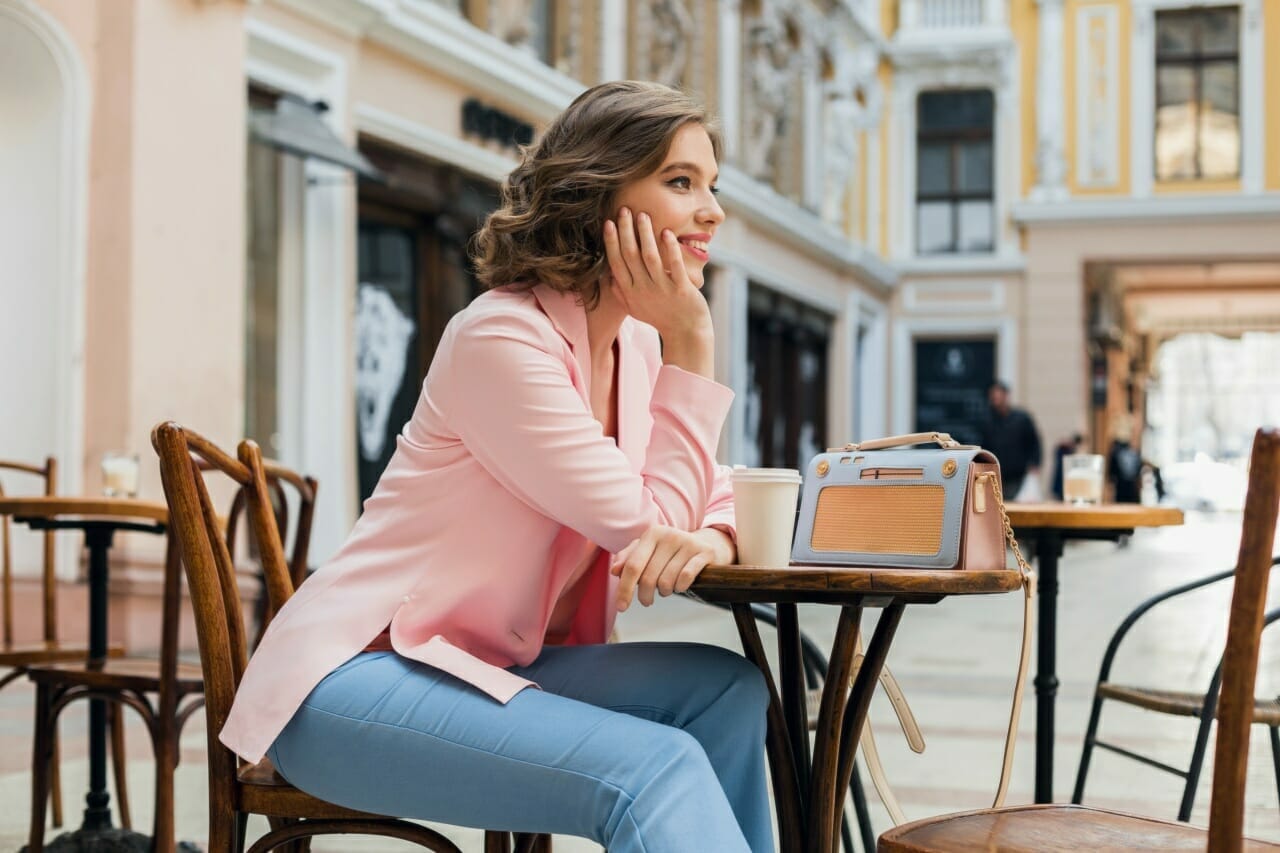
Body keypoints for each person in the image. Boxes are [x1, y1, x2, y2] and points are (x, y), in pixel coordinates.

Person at [218, 81, 772, 852]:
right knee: (655, 767)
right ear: (597, 196)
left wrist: (714, 538)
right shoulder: (502, 340)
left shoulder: (638, 349)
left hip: (487, 662)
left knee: (728, 692)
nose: (712, 210)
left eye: (712, 186)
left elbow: (713, 493)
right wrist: (696, 344)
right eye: (681, 183)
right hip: (354, 679)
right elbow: (642, 522)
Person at [979, 380, 1043, 500]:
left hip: (1018, 475)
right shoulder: (987, 421)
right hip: (996, 475)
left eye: (998, 396)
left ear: (1005, 395)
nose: (995, 400)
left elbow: (1034, 443)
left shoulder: (1022, 418)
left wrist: (1035, 464)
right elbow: (984, 447)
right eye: (993, 396)